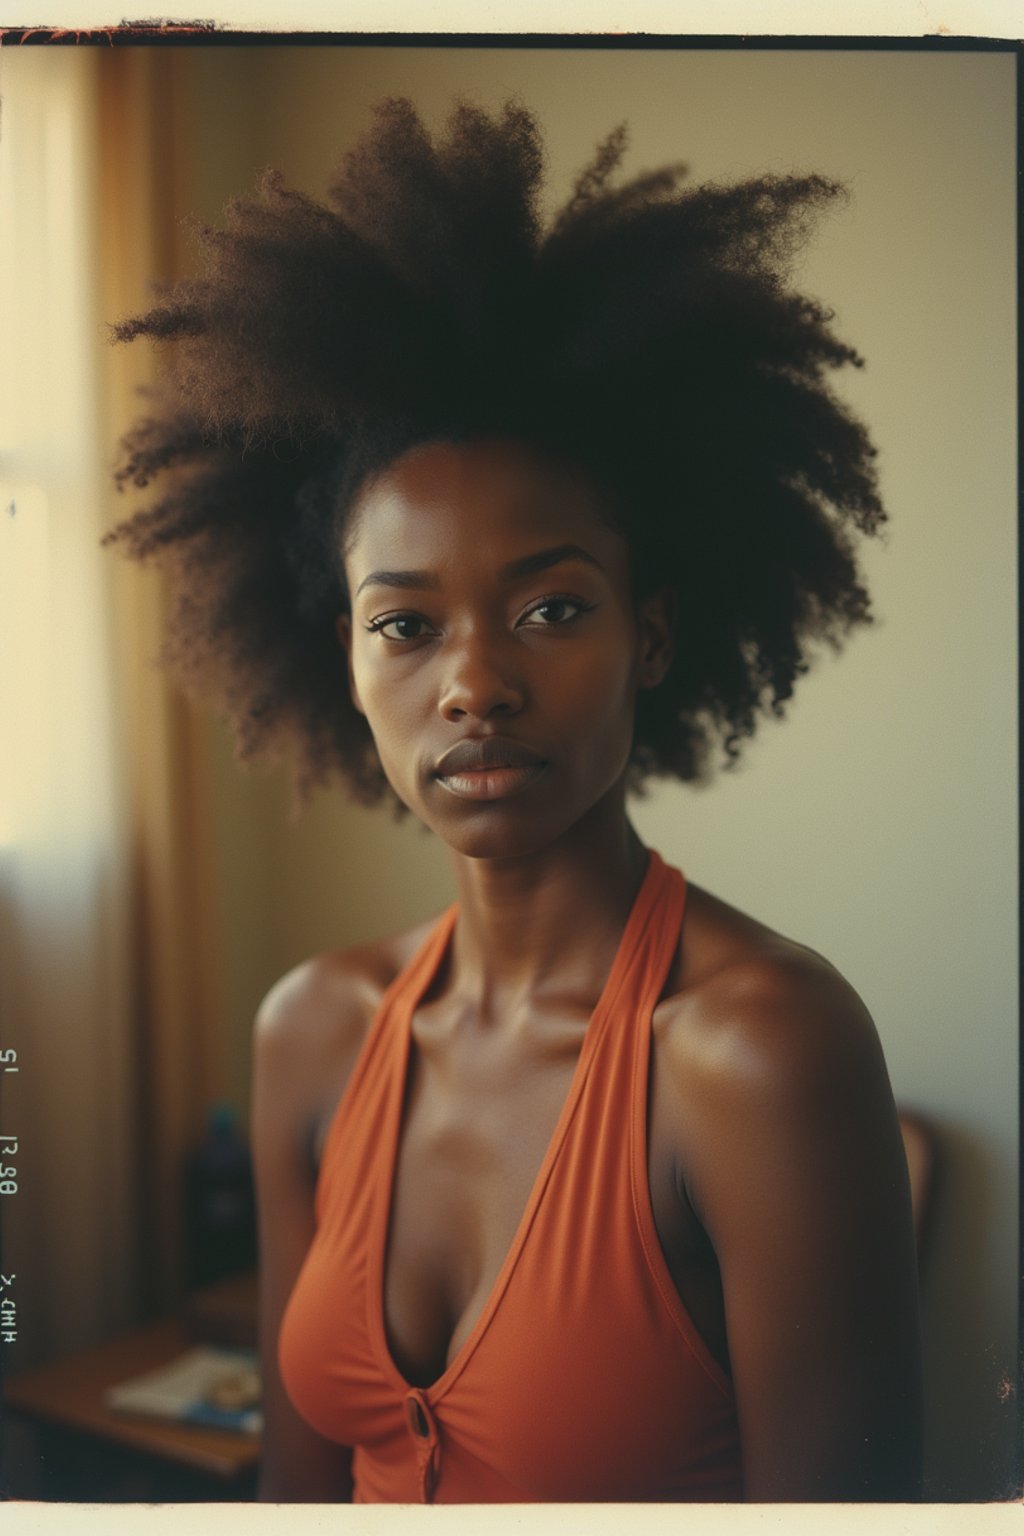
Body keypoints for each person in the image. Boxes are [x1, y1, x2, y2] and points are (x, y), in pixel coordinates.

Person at [106, 98, 923, 1503]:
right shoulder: (312, 1031)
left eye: (550, 606)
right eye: (406, 624)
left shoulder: (761, 1055)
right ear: (343, 661)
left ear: (651, 637)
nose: (474, 684)